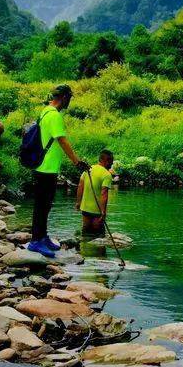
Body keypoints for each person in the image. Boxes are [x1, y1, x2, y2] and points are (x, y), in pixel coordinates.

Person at [28, 84, 88, 258]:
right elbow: (62, 140)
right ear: (64, 98)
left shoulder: (45, 111)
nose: (69, 101)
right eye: (69, 98)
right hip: (45, 167)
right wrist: (76, 161)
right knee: (41, 205)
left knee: (45, 204)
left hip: (46, 166)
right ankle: (35, 242)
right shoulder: (54, 116)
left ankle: (42, 236)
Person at [75, 149, 114, 237]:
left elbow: (80, 186)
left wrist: (78, 202)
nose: (112, 164)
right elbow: (104, 193)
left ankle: (83, 249)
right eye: (111, 162)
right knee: (98, 235)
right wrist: (103, 212)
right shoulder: (107, 174)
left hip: (85, 208)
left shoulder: (88, 169)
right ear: (106, 161)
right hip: (97, 211)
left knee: (85, 232)